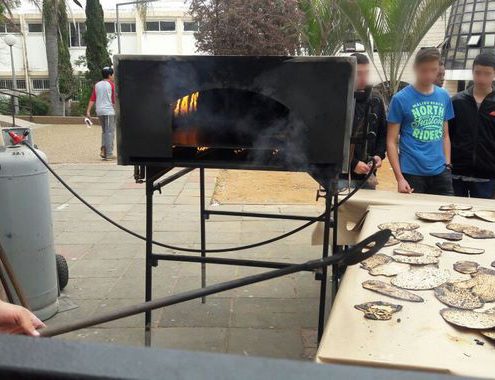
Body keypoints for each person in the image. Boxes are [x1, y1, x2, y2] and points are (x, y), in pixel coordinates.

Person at [387, 48, 454, 195]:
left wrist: (447, 164)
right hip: (412, 172)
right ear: (416, 69)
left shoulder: (444, 96)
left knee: (447, 213)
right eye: (424, 70)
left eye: (434, 70)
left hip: (440, 172)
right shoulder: (400, 99)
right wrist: (399, 178)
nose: (429, 75)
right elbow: (391, 141)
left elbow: (445, 135)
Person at [449, 53, 495, 199]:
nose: (481, 78)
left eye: (487, 74)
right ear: (472, 72)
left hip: (488, 175)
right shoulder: (456, 101)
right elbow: (447, 135)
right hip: (457, 173)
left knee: (484, 218)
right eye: (477, 73)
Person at [341, 53, 387, 190]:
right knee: (343, 210)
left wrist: (379, 155)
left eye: (366, 73)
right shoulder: (339, 98)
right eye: (359, 73)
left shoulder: (376, 99)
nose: (363, 78)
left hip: (368, 172)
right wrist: (352, 163)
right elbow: (331, 138)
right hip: (341, 176)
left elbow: (382, 132)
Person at [86, 66, 116, 160]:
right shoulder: (111, 85)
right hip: (109, 111)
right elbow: (114, 100)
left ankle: (104, 150)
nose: (113, 76)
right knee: (109, 132)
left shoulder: (97, 85)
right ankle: (109, 153)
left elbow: (92, 98)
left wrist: (88, 111)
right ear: (109, 75)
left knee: (105, 132)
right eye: (113, 74)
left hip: (99, 111)